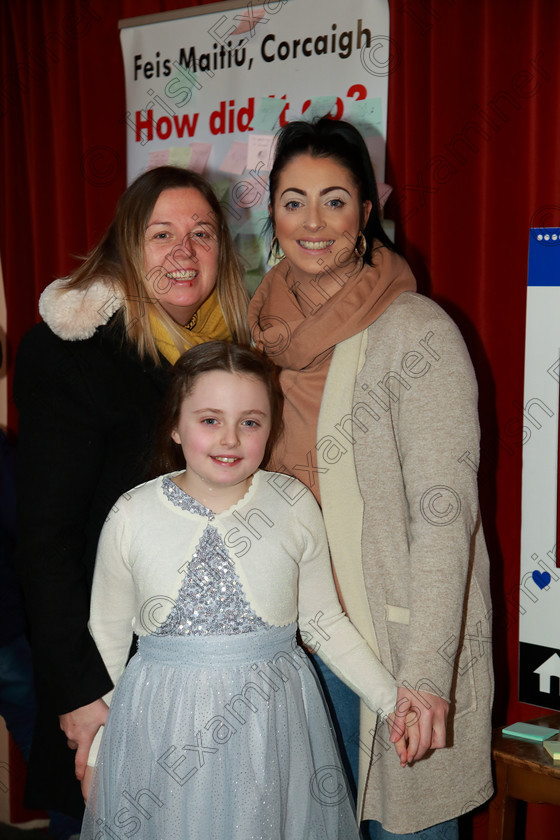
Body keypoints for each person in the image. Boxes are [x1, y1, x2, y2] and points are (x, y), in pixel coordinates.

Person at [249, 118, 494, 839]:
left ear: (366, 211)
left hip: (389, 652)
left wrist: (424, 673)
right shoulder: (260, 333)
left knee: (401, 828)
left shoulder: (415, 332)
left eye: (334, 199)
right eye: (293, 200)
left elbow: (444, 514)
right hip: (289, 645)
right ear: (272, 212)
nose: (312, 221)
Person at [79, 340, 406, 840]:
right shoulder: (132, 514)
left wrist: (390, 700)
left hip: (271, 728)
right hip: (163, 734)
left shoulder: (293, 503)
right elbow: (105, 636)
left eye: (250, 422)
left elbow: (323, 622)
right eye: (209, 419)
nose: (230, 438)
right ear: (174, 424)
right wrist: (101, 751)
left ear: (270, 428)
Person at [13, 166, 250, 824]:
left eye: (202, 234)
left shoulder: (233, 358)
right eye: (162, 234)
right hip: (115, 679)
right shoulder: (72, 357)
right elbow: (46, 542)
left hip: (214, 676)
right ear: (124, 248)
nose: (184, 251)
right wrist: (81, 691)